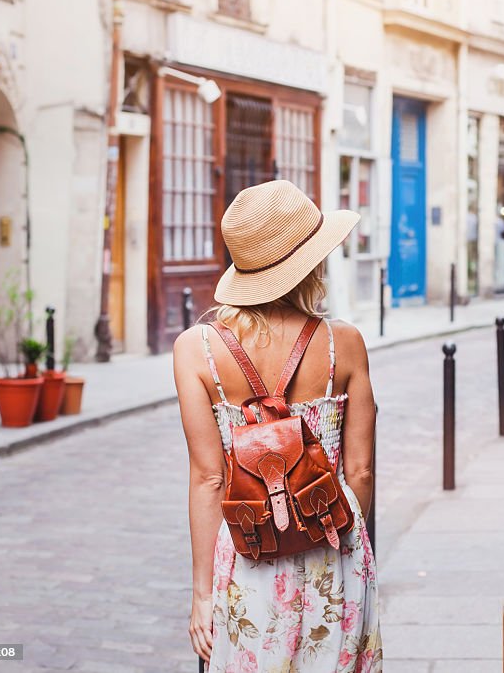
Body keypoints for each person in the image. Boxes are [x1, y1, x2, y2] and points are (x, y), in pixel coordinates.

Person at [173, 180, 382, 672]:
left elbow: (208, 478)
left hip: (249, 552)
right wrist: (338, 539)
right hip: (334, 544)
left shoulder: (195, 349)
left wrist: (202, 594)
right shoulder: (344, 343)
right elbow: (362, 470)